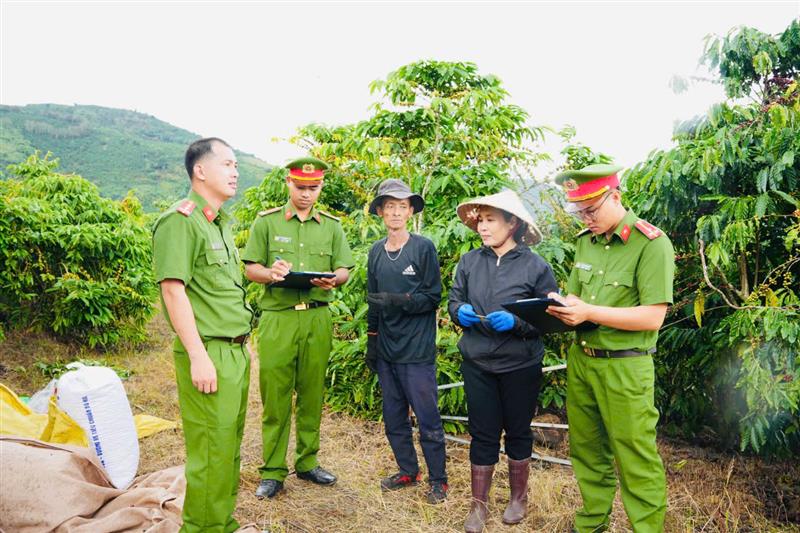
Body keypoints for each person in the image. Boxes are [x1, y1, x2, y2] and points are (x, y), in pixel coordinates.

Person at [547, 163, 674, 533]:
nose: (585, 219)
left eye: (591, 209)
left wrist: (589, 311)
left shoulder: (651, 244)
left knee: (635, 455)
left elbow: (653, 317)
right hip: (582, 361)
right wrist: (563, 304)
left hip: (625, 366)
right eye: (579, 212)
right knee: (586, 451)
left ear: (615, 196)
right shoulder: (587, 241)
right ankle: (591, 524)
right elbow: (576, 294)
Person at [152, 137, 254, 533]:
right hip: (208, 351)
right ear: (200, 171)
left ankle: (221, 523)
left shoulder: (220, 223)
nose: (235, 172)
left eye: (236, 166)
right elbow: (173, 291)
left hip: (235, 352)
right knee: (211, 450)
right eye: (228, 164)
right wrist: (197, 355)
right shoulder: (181, 220)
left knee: (227, 448)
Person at [242, 156, 355, 499]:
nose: (307, 194)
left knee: (311, 393)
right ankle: (273, 471)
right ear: (288, 184)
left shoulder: (332, 226)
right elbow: (251, 269)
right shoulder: (266, 223)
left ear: (321, 187)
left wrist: (334, 280)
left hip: (318, 317)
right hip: (279, 317)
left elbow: (344, 269)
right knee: (275, 396)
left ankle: (307, 462)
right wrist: (271, 274)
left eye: (314, 188)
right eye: (301, 187)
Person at [447, 189, 559, 533]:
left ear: (512, 224)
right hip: (478, 362)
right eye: (480, 220)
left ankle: (517, 499)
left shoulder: (536, 267)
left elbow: (550, 317)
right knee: (482, 433)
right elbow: (454, 300)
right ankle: (478, 506)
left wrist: (517, 323)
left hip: (519, 365)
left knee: (518, 430)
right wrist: (459, 313)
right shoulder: (470, 262)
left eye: (490, 220)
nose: (482, 226)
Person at [365, 179, 448, 504]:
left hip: (416, 352)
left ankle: (438, 480)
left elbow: (432, 297)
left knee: (428, 420)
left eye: (402, 206)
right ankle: (407, 470)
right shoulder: (376, 252)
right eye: (390, 207)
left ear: (410, 211)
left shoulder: (422, 247)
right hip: (387, 350)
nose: (396, 212)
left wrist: (399, 300)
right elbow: (374, 301)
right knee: (394, 416)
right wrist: (372, 343)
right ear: (381, 212)